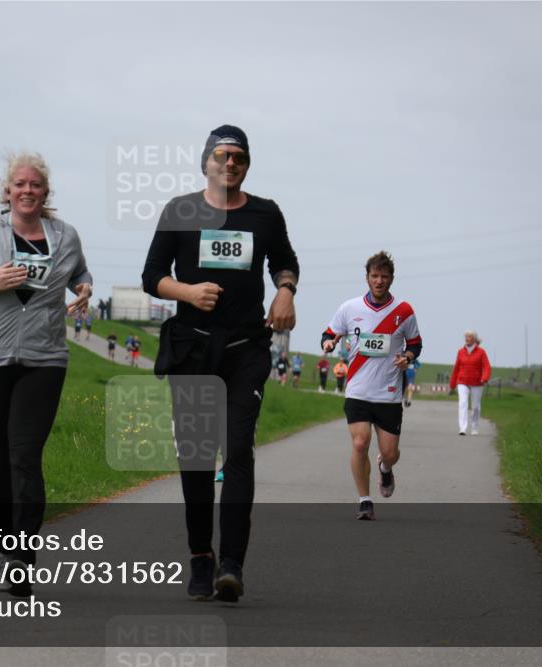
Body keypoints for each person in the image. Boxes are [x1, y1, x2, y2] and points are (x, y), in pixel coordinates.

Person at [142, 124, 299, 602]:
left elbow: (284, 262)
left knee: (236, 451)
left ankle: (232, 562)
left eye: (238, 157)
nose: (229, 163)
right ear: (205, 161)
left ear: (246, 165)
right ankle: (200, 557)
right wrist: (187, 291)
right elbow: (152, 277)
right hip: (192, 347)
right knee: (194, 453)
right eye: (221, 155)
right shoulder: (180, 211)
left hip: (245, 349)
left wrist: (286, 292)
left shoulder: (265, 213)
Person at [0, 152, 92, 595]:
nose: (27, 191)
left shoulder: (65, 235)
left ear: (47, 193)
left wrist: (84, 286)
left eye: (36, 185)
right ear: (7, 191)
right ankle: (4, 547)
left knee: (25, 455)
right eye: (19, 184)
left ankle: (22, 561)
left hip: (45, 360)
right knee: (0, 460)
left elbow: (78, 270)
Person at [321, 251, 422, 521]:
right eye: (374, 276)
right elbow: (329, 332)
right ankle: (365, 500)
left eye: (384, 277)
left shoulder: (404, 311)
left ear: (391, 279)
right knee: (359, 442)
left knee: (389, 452)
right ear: (367, 277)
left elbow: (415, 344)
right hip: (357, 390)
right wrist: (328, 343)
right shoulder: (349, 308)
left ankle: (385, 468)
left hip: (388, 394)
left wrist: (408, 357)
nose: (379, 281)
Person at [449, 330, 490, 435]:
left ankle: (474, 427)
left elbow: (486, 367)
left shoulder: (481, 352)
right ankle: (462, 428)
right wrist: (452, 384)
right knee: (463, 403)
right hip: (462, 381)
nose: (467, 338)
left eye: (469, 336)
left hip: (477, 382)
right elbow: (456, 368)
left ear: (474, 339)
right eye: (466, 336)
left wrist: (484, 378)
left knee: (475, 406)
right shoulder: (460, 352)